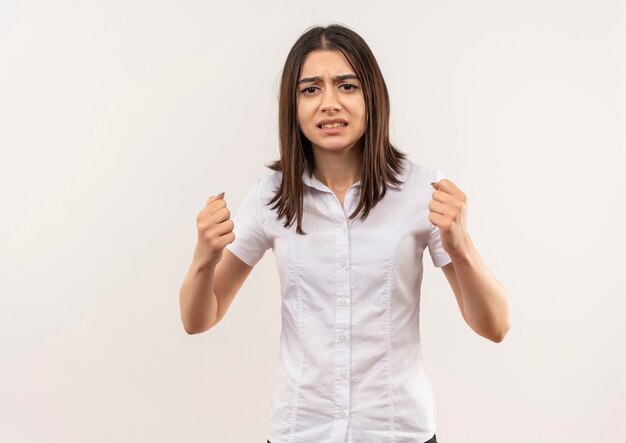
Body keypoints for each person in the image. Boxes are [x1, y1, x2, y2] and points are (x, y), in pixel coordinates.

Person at [179, 24, 510, 443]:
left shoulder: (420, 191)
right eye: (311, 90)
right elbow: (198, 317)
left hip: (398, 430)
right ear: (293, 105)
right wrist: (203, 258)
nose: (329, 104)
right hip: (300, 430)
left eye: (346, 86)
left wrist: (461, 247)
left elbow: (495, 326)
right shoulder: (271, 197)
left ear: (371, 96)